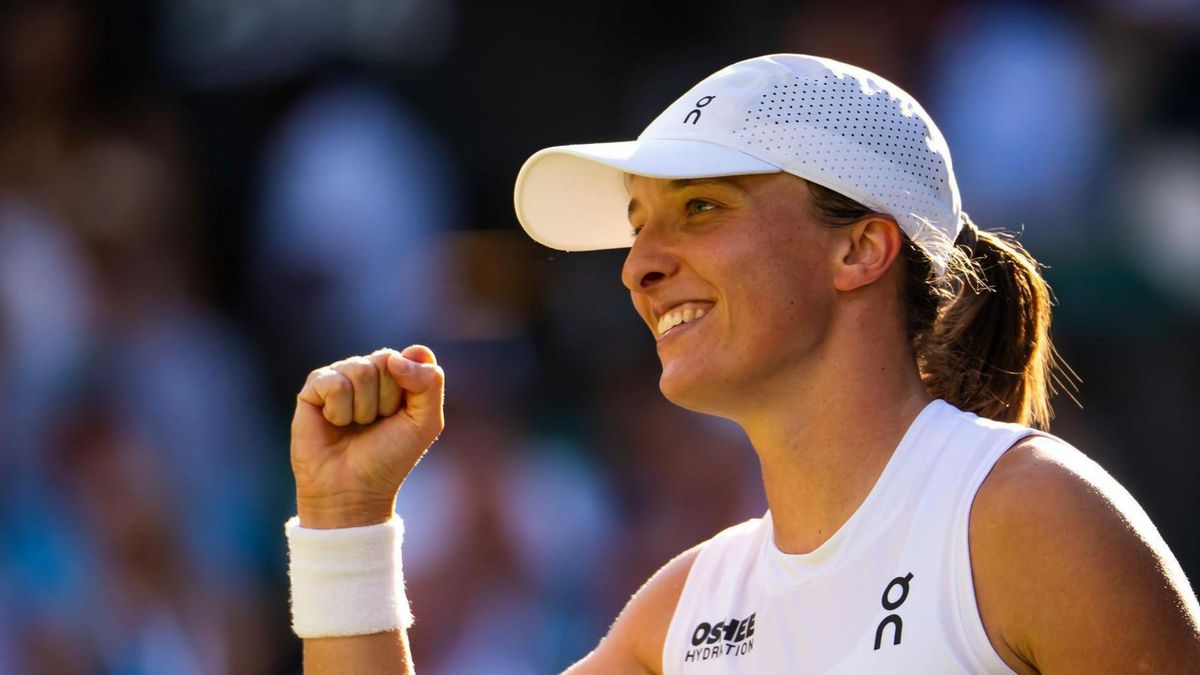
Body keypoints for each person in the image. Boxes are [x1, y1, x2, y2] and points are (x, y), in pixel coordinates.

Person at [285, 54, 1200, 673]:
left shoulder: (1030, 518)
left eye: (701, 210)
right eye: (639, 224)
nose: (638, 265)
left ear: (860, 250)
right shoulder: (680, 611)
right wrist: (345, 522)